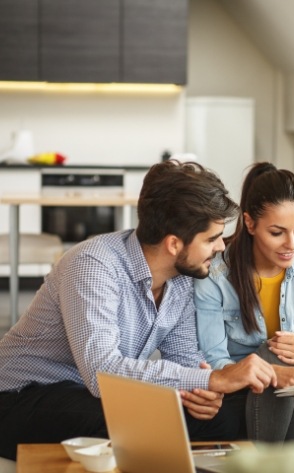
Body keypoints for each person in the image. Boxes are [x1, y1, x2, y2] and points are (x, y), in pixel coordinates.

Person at [0, 160, 277, 461]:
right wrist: (211, 381)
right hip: (21, 397)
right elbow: (101, 373)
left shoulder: (182, 278)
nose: (222, 247)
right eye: (211, 239)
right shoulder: (93, 265)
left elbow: (185, 360)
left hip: (95, 396)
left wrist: (202, 394)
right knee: (130, 419)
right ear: (173, 244)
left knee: (229, 414)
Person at [194, 162, 294, 444]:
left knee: (292, 369)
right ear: (250, 223)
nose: (291, 244)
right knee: (273, 355)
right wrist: (273, 371)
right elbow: (215, 361)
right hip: (235, 388)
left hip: (286, 391)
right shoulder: (216, 274)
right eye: (277, 232)